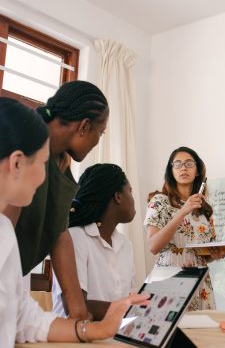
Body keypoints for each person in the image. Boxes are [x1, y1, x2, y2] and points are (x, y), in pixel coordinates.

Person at [0, 97, 149, 346]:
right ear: (16, 163)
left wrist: (95, 329)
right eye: (42, 164)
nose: (45, 178)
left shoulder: (5, 232)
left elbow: (26, 319)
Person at [3, 80, 109, 319]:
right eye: (99, 133)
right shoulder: (27, 141)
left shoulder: (61, 161)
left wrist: (78, 312)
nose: (97, 142)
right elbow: (5, 229)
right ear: (84, 126)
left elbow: (59, 233)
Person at [53, 163, 136, 320]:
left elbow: (130, 297)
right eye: (130, 191)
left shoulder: (125, 244)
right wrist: (129, 308)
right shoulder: (75, 237)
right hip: (72, 339)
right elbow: (75, 307)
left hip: (112, 334)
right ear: (118, 196)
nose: (133, 199)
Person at [144, 146, 223, 310]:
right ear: (171, 171)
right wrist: (182, 211)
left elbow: (200, 254)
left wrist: (214, 255)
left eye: (189, 164)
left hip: (200, 281)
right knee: (172, 332)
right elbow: (153, 246)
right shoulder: (160, 201)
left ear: (198, 171)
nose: (183, 168)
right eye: (177, 164)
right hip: (170, 277)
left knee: (199, 333)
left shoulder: (204, 210)